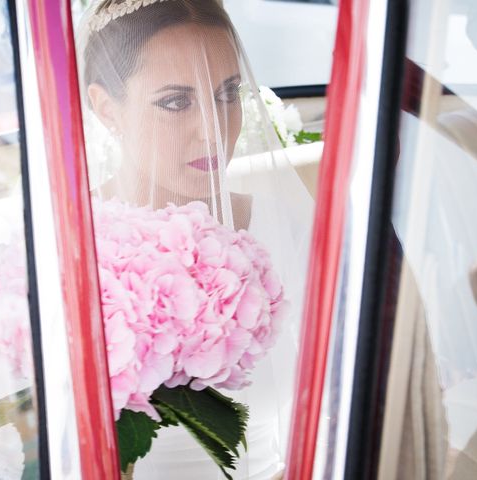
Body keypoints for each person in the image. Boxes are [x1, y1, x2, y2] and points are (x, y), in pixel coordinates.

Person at [77, 0, 314, 478]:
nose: (213, 129)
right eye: (175, 102)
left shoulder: (285, 228)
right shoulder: (63, 246)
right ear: (106, 109)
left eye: (228, 94)